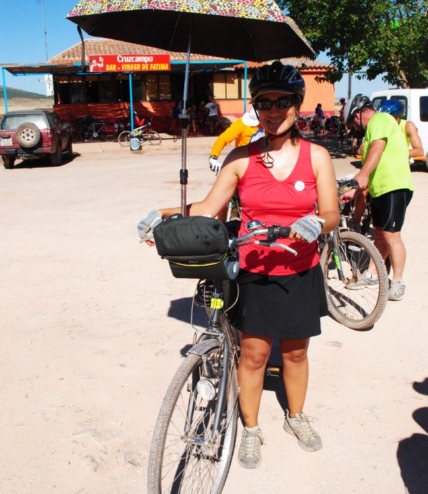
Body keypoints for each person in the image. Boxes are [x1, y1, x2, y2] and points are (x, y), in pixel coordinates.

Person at [138, 61, 339, 469]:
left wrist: (316, 223)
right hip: (255, 271)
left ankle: (296, 416)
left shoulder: (317, 157)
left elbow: (332, 213)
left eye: (282, 102)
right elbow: (208, 208)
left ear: (297, 105)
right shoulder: (241, 158)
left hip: (300, 272)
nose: (274, 110)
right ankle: (251, 428)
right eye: (264, 103)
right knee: (253, 355)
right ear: (255, 108)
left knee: (296, 353)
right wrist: (164, 214)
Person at [341, 94, 414, 301]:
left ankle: (398, 281)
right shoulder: (373, 129)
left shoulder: (379, 119)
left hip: (394, 186)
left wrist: (362, 175)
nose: (354, 129)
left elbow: (377, 148)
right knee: (381, 235)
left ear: (357, 115)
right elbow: (371, 168)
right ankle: (372, 275)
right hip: (380, 189)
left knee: (392, 236)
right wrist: (355, 191)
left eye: (352, 125)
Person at [208, 107, 261, 174]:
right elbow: (224, 138)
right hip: (244, 162)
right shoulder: (241, 124)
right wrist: (213, 157)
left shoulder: (268, 126)